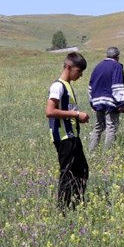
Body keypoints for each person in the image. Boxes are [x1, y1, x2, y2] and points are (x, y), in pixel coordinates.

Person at [45, 51, 91, 208]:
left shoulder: (67, 86)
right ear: (69, 67)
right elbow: (50, 111)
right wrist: (76, 114)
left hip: (72, 136)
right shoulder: (57, 86)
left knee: (82, 170)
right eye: (78, 71)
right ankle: (63, 208)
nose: (80, 75)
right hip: (64, 137)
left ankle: (76, 203)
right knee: (68, 173)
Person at [87, 46, 124, 150]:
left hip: (97, 102)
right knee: (111, 127)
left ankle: (91, 150)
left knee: (98, 126)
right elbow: (117, 86)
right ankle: (108, 154)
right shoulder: (117, 66)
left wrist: (92, 103)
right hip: (111, 101)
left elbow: (90, 86)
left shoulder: (98, 66)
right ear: (117, 56)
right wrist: (122, 103)